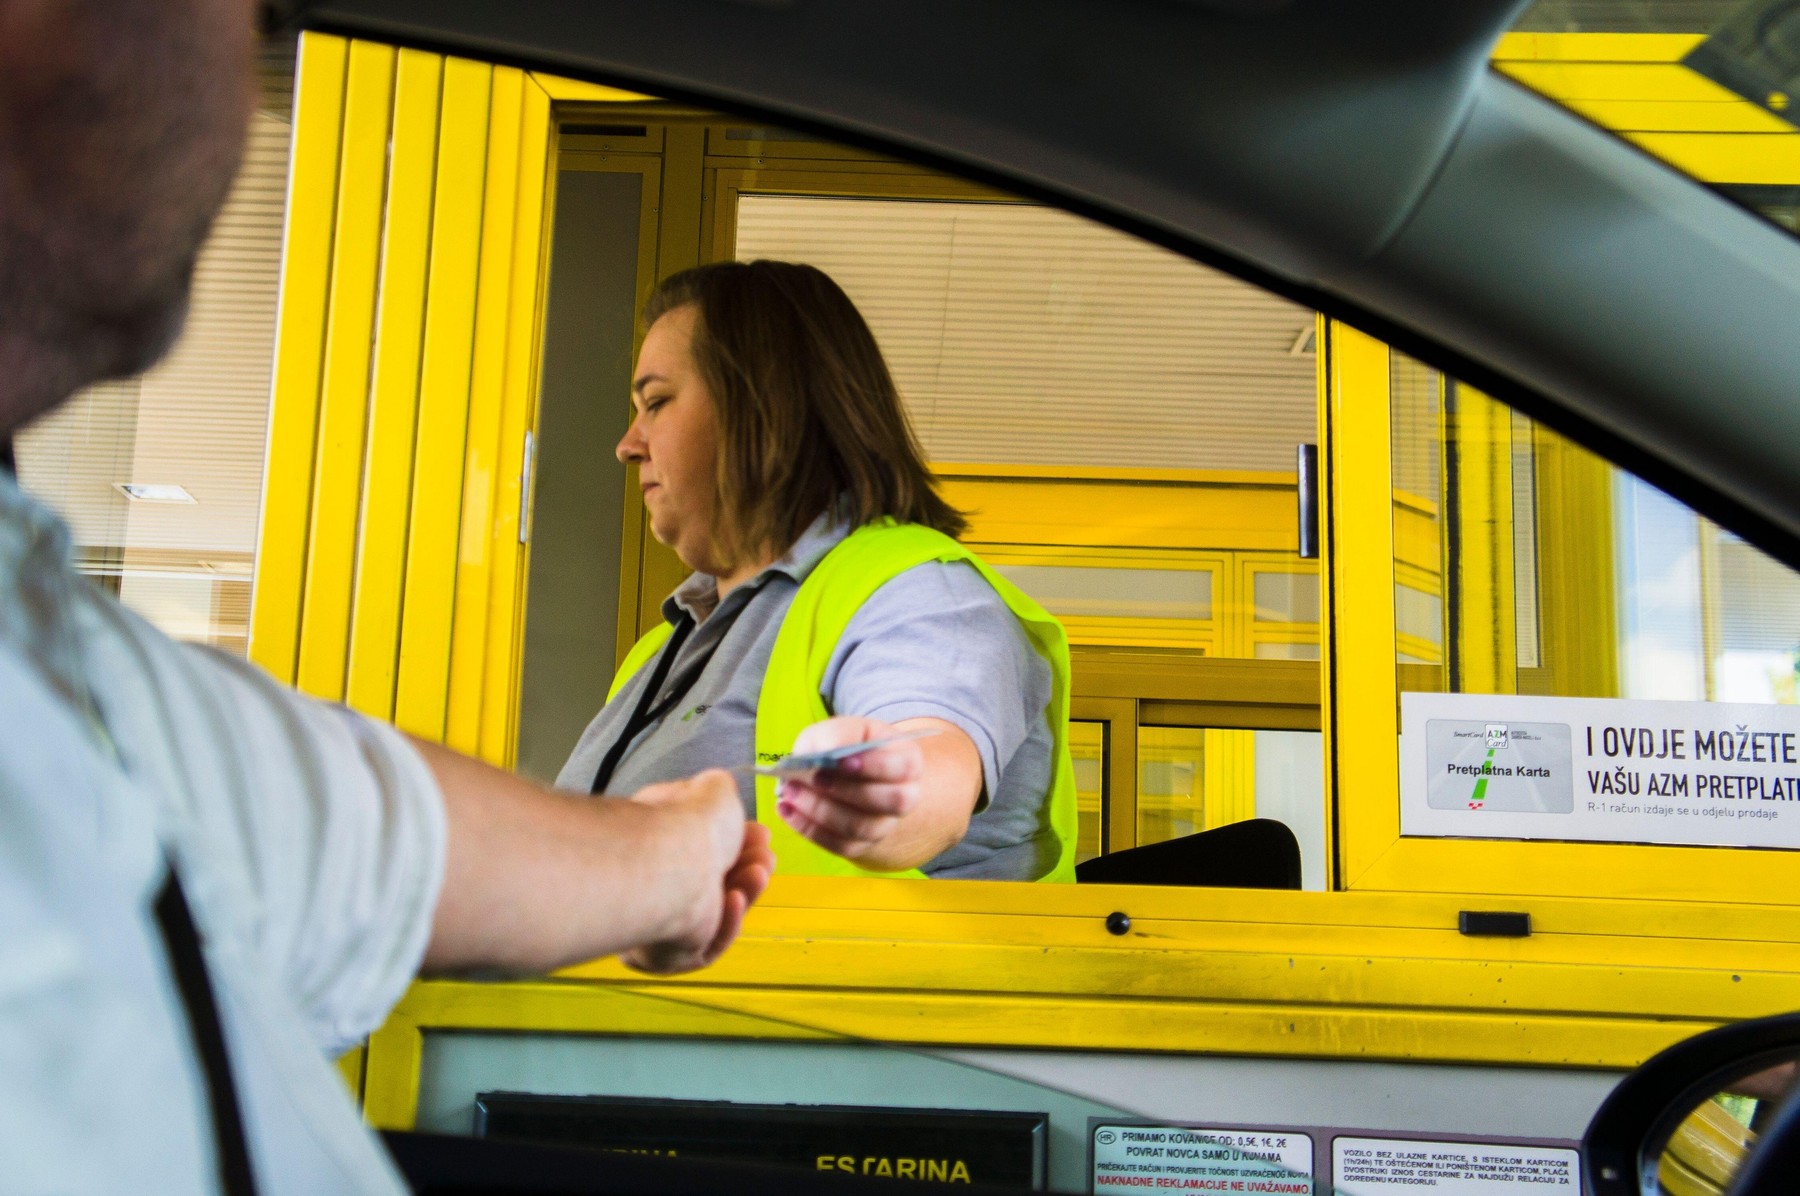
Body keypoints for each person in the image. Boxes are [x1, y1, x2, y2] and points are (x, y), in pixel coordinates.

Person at [0, 2, 773, 1192]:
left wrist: (673, 857)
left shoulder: (52, 655)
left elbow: (355, 833)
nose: (251, 46)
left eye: (656, 401)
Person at [555, 261, 1079, 882]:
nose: (627, 444)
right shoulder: (658, 653)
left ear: (764, 407)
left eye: (657, 403)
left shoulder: (914, 591)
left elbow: (930, 766)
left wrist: (883, 788)